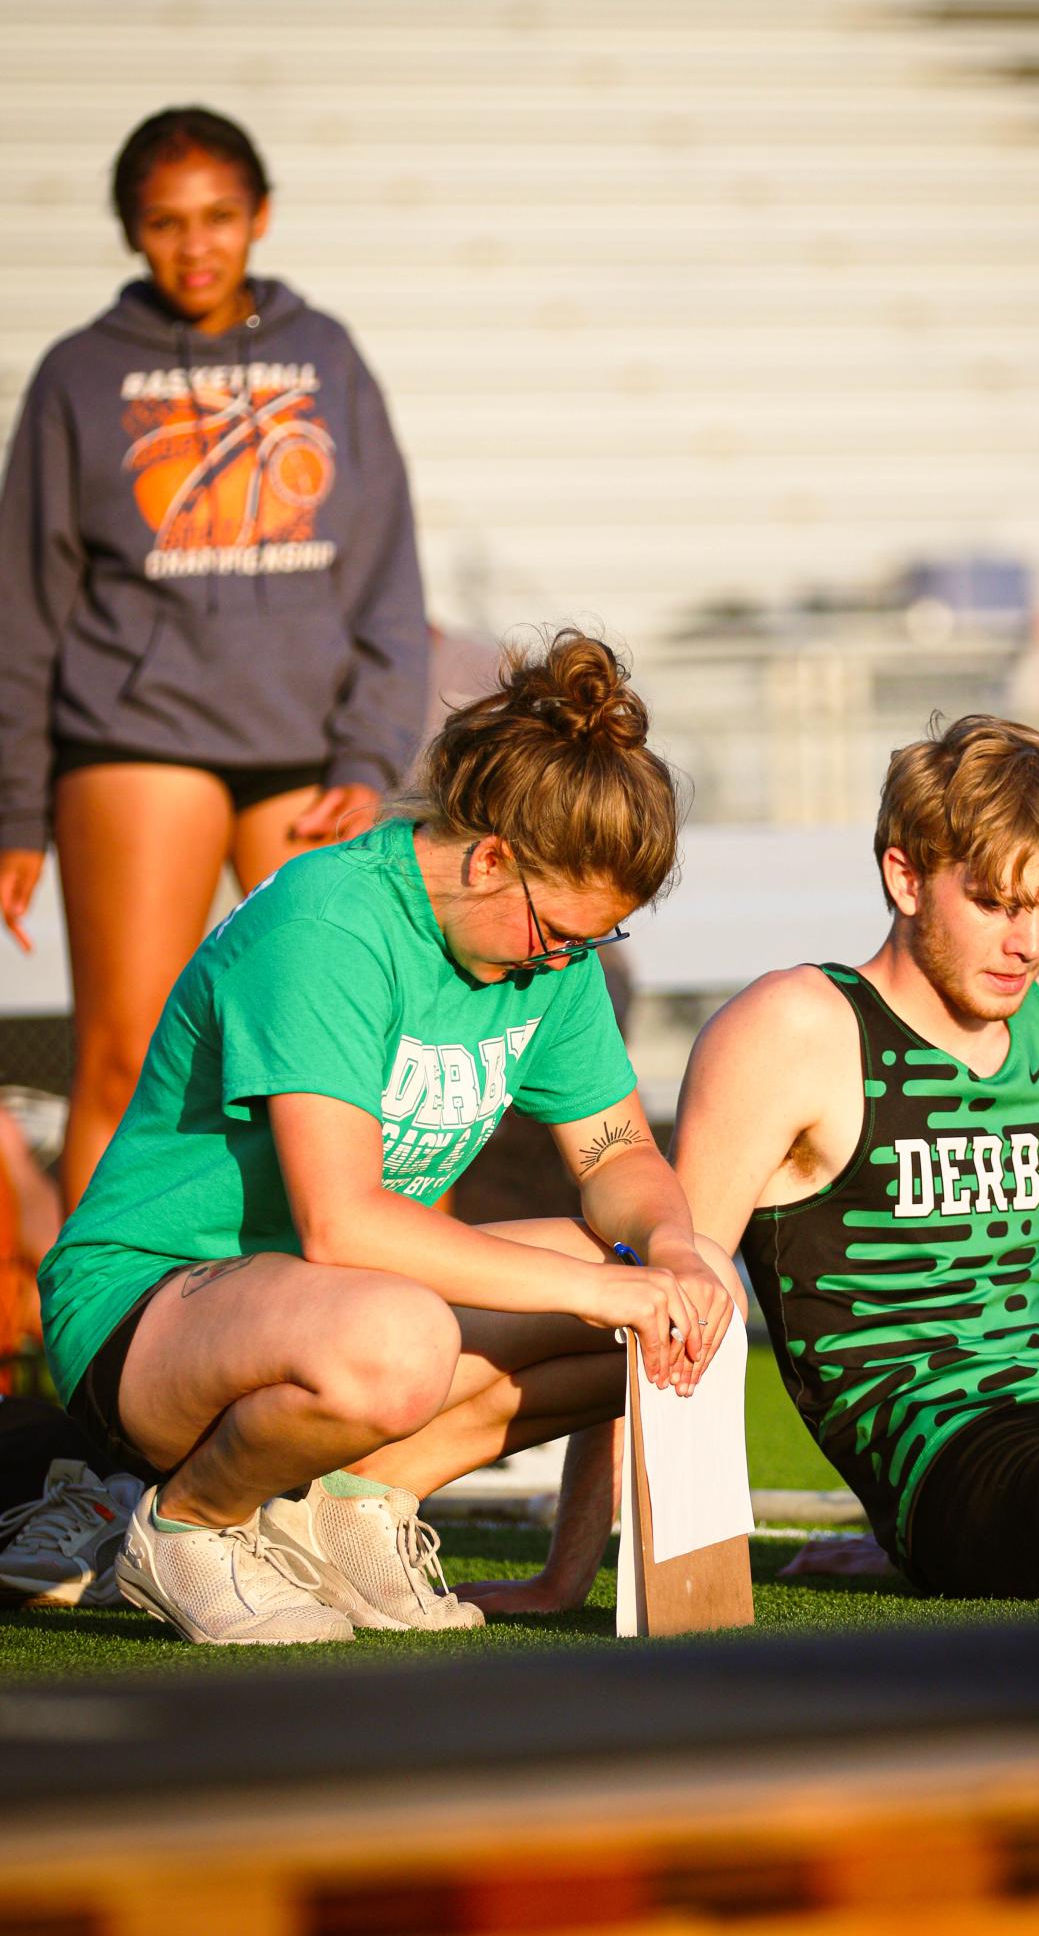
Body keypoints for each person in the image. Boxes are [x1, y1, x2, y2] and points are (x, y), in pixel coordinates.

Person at [515, 715, 1039, 1606]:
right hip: (953, 1467)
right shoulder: (796, 1027)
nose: (1027, 941)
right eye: (994, 903)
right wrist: (571, 1573)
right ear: (904, 875)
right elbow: (660, 1302)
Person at [36, 631, 741, 1645]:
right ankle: (187, 1523)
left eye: (594, 942)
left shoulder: (551, 957)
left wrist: (666, 1255)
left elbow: (618, 1155)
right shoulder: (332, 924)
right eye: (558, 936)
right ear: (491, 857)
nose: (565, 965)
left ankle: (354, 1506)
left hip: (329, 1307)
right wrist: (602, 1285)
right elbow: (341, 1224)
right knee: (398, 1339)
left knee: (689, 1292)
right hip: (151, 1305)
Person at [0, 105, 430, 1205]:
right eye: (167, 222)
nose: (197, 246)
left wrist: (366, 757)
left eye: (220, 217)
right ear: (132, 234)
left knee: (342, 1061)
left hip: (310, 759)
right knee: (130, 1060)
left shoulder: (325, 355)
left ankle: (360, 1332)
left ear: (261, 217)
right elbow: (25, 607)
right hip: (135, 745)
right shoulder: (77, 377)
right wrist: (16, 813)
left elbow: (385, 577)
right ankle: (96, 1362)